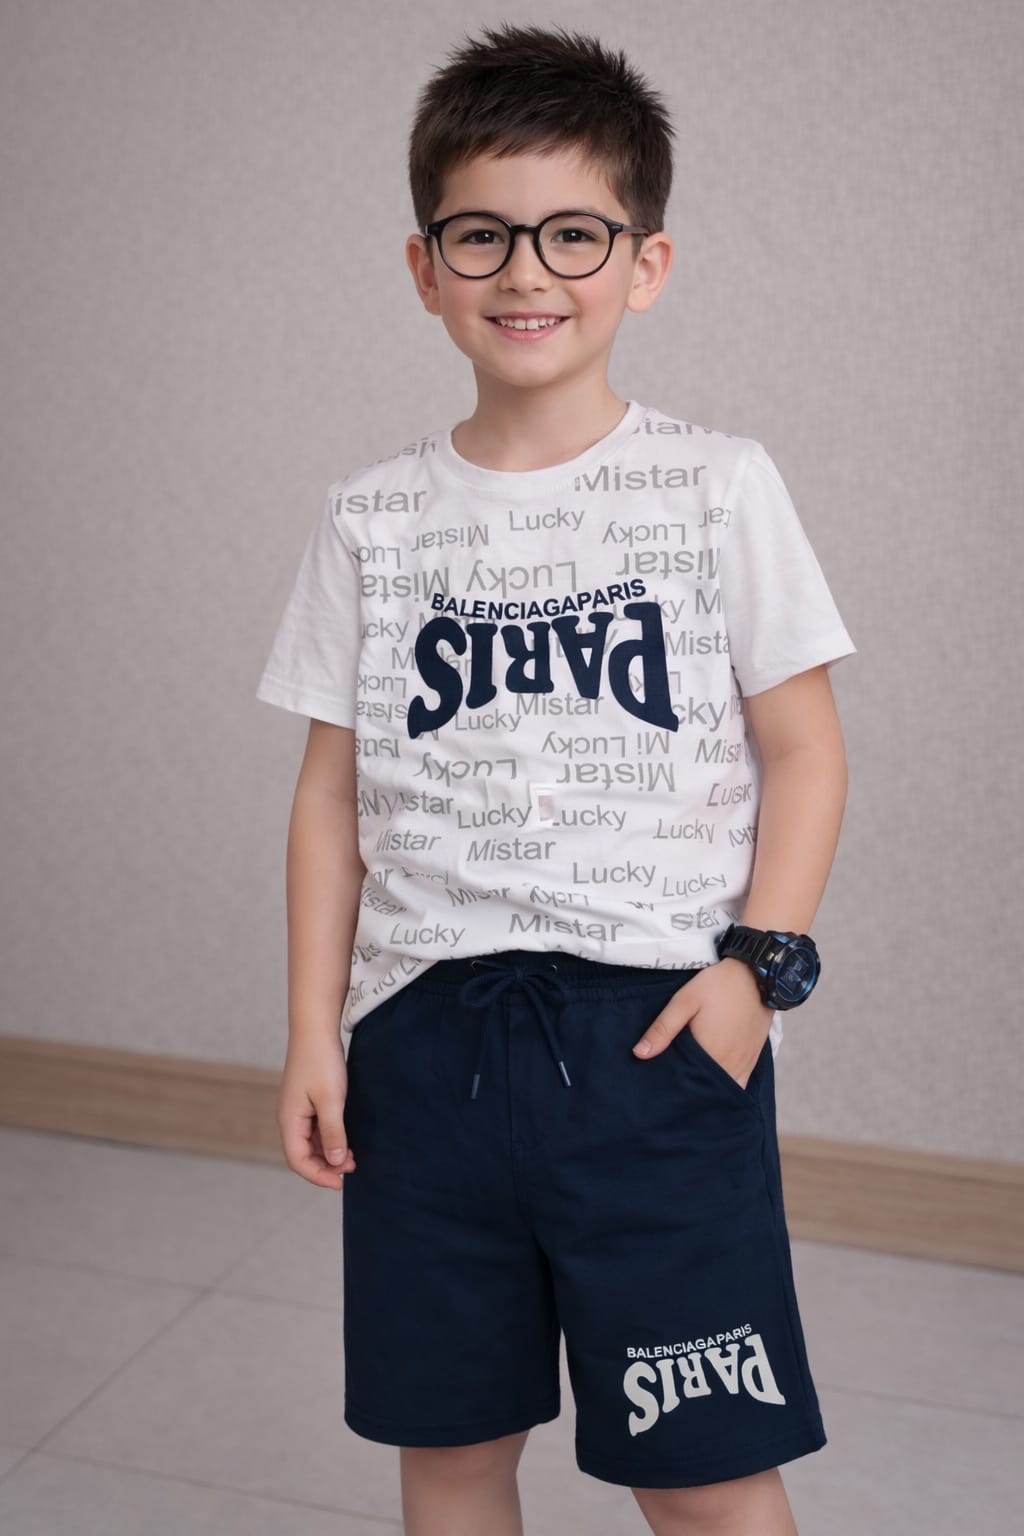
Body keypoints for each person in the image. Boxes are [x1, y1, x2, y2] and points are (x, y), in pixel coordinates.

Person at [256, 20, 856, 1536]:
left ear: (645, 263)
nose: (526, 272)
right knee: (452, 1451)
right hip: (422, 1047)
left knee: (703, 1471)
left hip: (654, 1038)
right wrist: (316, 1032)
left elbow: (805, 748)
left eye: (573, 234)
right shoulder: (372, 518)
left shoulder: (717, 485)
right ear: (425, 268)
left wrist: (757, 973)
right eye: (483, 235)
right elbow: (328, 797)